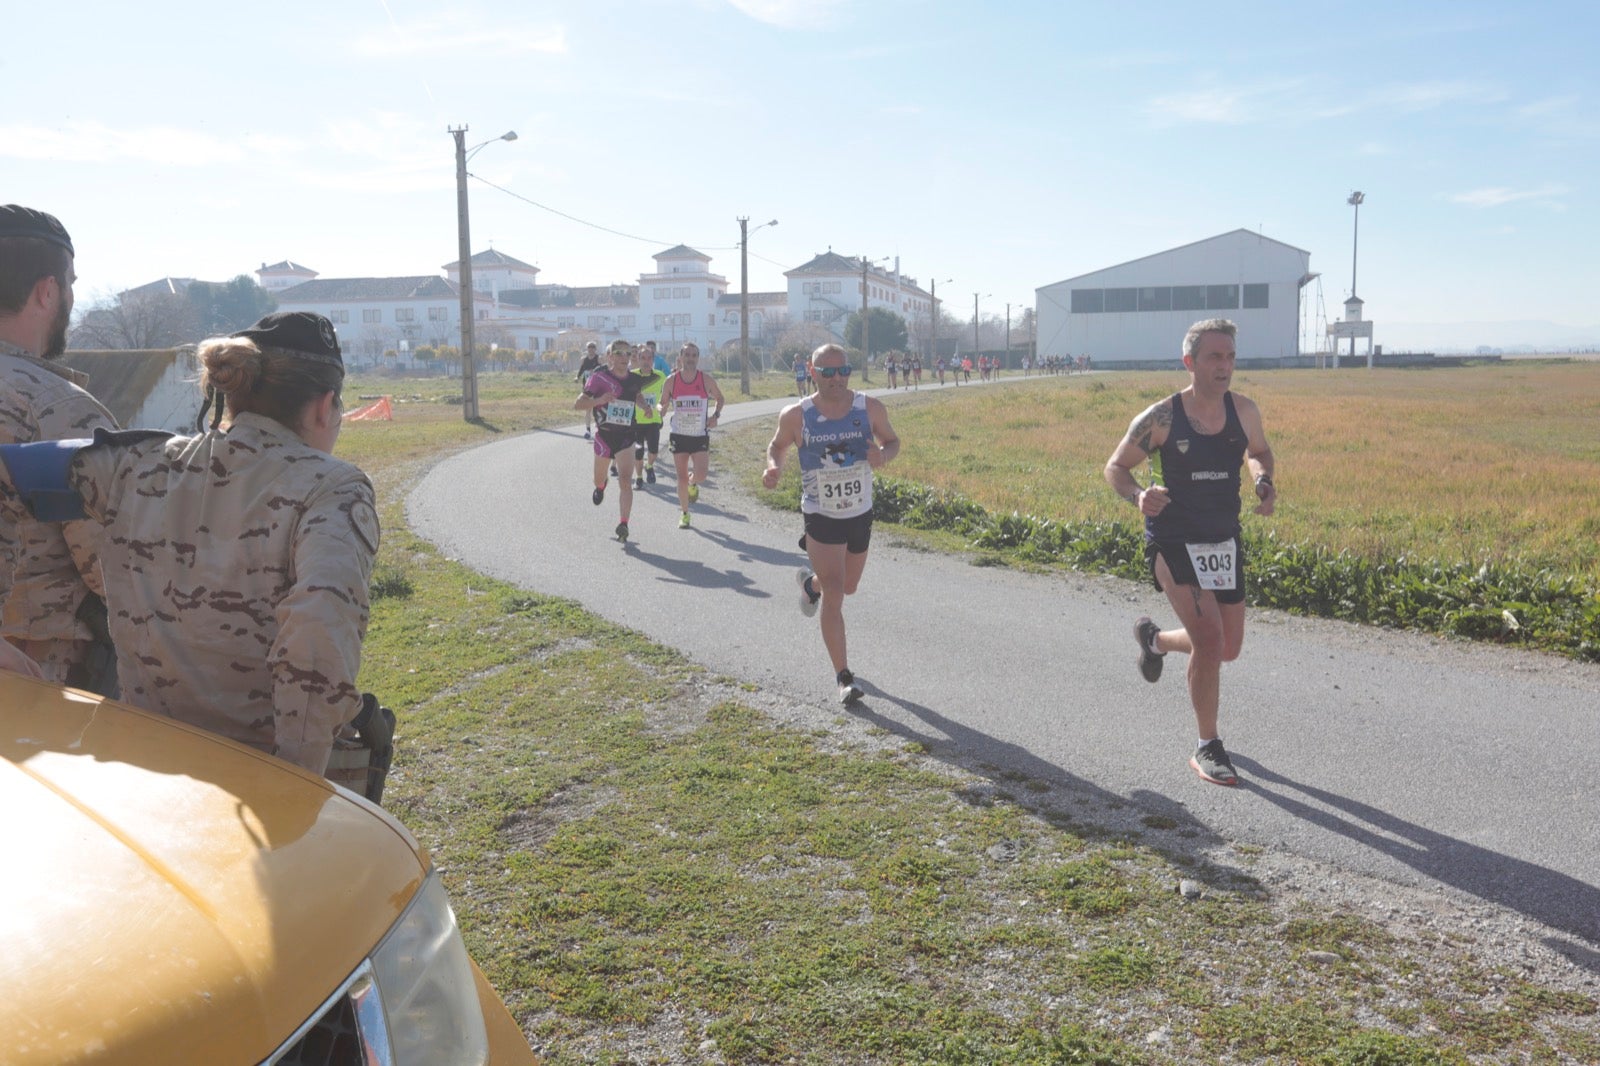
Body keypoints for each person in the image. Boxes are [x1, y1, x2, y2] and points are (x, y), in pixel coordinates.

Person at [0, 311, 378, 776]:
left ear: (233, 392)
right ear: (325, 407)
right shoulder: (333, 486)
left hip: (143, 765)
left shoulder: (133, 463)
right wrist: (299, 780)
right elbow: (318, 638)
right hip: (256, 781)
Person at [1102, 318, 1277, 787]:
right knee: (1211, 640)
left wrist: (1263, 479)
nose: (1225, 366)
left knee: (1227, 647)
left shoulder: (1244, 411)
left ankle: (1155, 641)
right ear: (1190, 362)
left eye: (1231, 357)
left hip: (1223, 539)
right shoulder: (1161, 417)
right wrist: (1138, 495)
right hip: (1174, 538)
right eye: (1214, 357)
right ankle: (1207, 746)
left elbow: (1259, 451)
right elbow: (1115, 467)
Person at [0, 204, 120, 694]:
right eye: (70, 283)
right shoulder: (60, 410)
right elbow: (115, 569)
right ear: (47, 292)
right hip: (37, 670)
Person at [762, 343, 899, 704]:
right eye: (827, 371)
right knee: (836, 596)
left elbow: (893, 441)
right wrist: (774, 466)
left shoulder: (869, 408)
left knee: (847, 586)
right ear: (812, 371)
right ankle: (843, 677)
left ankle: (812, 584)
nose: (836, 378)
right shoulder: (796, 415)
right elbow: (777, 446)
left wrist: (883, 455)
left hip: (859, 511)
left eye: (843, 371)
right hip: (820, 514)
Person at [575, 339, 640, 541]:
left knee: (626, 481)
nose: (624, 358)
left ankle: (623, 524)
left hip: (626, 437)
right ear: (609, 357)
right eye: (619, 353)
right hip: (604, 437)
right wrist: (598, 401)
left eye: (628, 354)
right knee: (598, 478)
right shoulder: (599, 378)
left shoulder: (634, 379)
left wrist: (644, 406)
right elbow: (578, 404)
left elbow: (635, 394)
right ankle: (601, 486)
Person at [659, 342, 723, 528]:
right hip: (679, 434)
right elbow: (662, 403)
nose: (690, 358)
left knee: (701, 474)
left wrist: (715, 416)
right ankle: (685, 513)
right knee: (680, 477)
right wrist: (661, 409)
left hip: (699, 434)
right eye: (687, 355)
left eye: (694, 355)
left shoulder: (706, 379)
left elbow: (720, 398)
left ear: (698, 358)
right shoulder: (671, 381)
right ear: (680, 358)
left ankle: (693, 482)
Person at [630, 342, 667, 489]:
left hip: (653, 421)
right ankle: (639, 478)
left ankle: (649, 465)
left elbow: (663, 399)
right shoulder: (632, 376)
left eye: (649, 358)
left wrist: (663, 407)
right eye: (643, 358)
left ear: (653, 360)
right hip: (636, 422)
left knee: (653, 451)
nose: (646, 361)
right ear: (638, 359)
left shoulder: (660, 376)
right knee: (638, 453)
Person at [576, 341, 602, 439]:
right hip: (587, 388)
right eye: (589, 348)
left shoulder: (598, 359)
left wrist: (594, 371)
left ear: (595, 349)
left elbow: (603, 369)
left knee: (598, 409)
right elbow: (581, 369)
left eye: (593, 347)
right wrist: (577, 377)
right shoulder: (584, 359)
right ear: (587, 349)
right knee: (588, 410)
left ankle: (599, 429)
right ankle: (588, 430)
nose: (591, 349)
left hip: (598, 387)